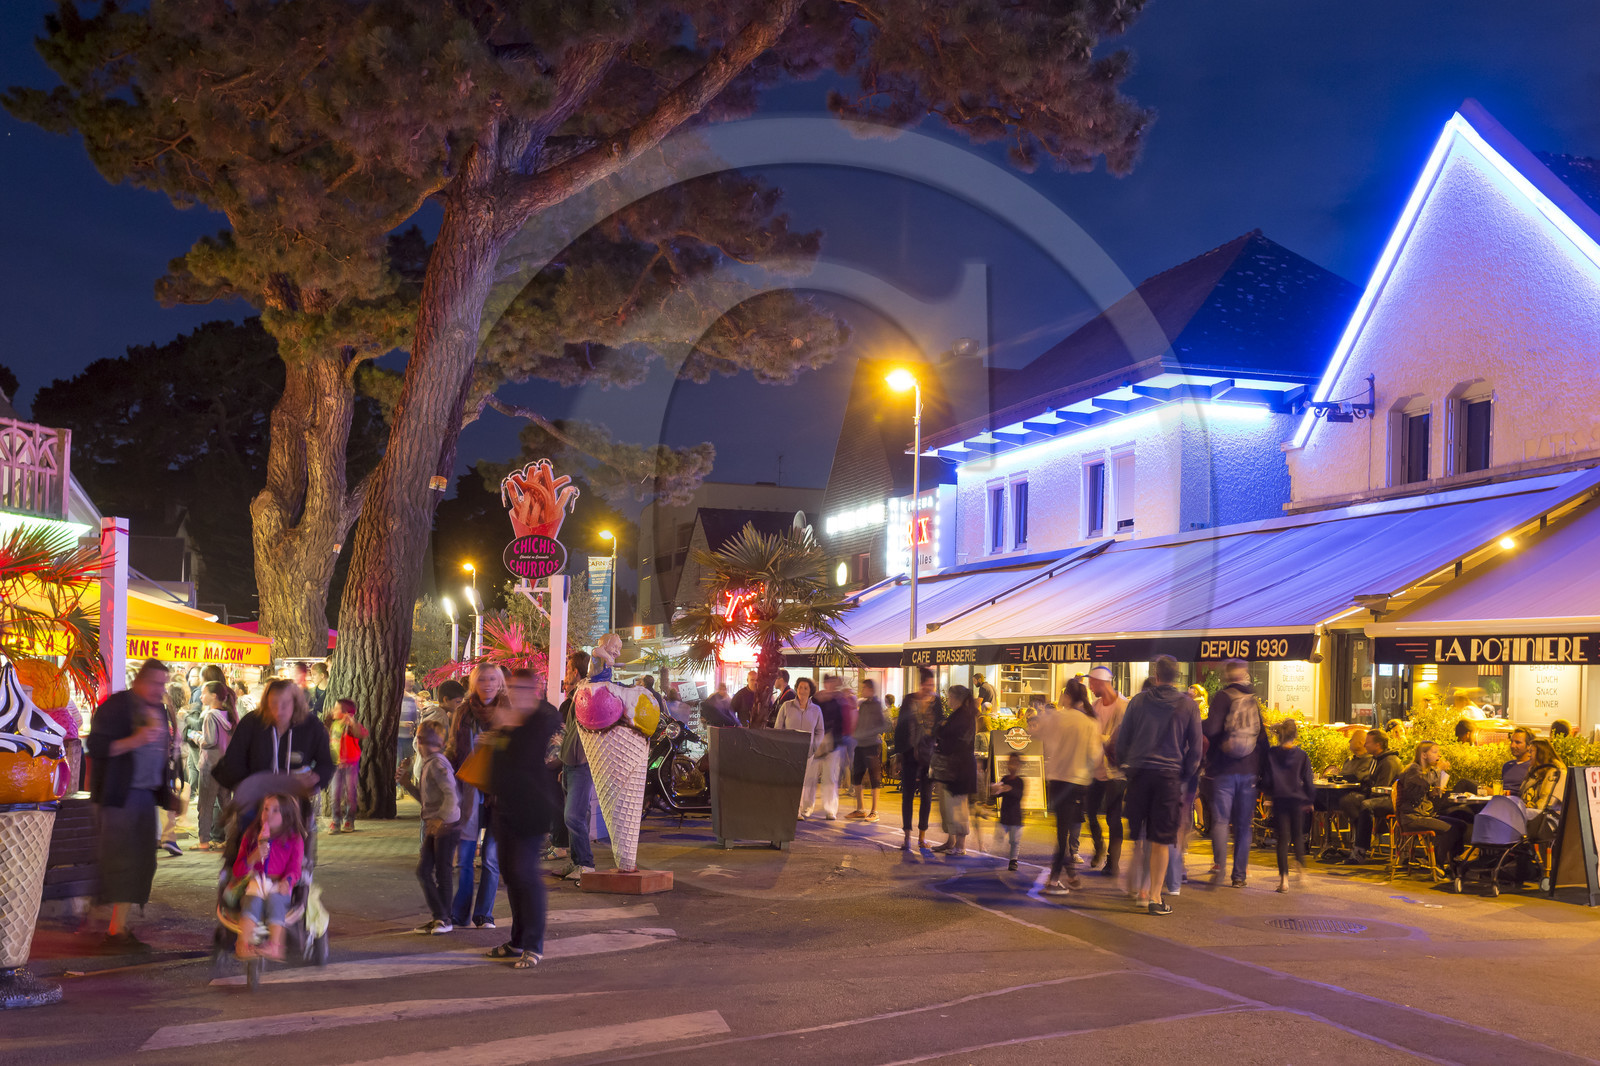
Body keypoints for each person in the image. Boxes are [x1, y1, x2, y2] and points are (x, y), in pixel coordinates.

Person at [87, 659, 183, 948]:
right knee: (122, 861)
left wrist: (168, 797)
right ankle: (113, 929)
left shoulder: (160, 710)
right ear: (139, 681)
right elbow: (98, 747)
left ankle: (116, 925)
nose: (160, 689)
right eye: (155, 683)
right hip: (119, 795)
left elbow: (159, 759)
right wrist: (135, 739)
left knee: (142, 862)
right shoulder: (117, 706)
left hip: (144, 796)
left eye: (163, 683)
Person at [212, 678, 336, 868]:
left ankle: (297, 879)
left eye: (285, 704)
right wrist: (249, 786)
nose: (279, 710)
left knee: (299, 852)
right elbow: (232, 762)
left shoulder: (311, 726)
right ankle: (238, 881)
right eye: (273, 704)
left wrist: (316, 778)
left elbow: (326, 763)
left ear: (296, 702)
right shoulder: (252, 723)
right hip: (256, 803)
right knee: (244, 851)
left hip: (293, 804)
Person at [483, 669, 562, 970]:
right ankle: (517, 941)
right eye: (512, 687)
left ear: (536, 689)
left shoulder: (542, 719)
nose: (515, 692)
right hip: (504, 809)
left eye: (522, 687)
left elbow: (529, 759)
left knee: (526, 875)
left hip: (531, 810)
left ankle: (534, 945)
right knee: (512, 876)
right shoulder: (507, 721)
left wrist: (511, 726)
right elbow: (499, 766)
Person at [1114, 656, 1202, 916]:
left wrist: (1125, 768)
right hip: (1168, 777)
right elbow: (1195, 750)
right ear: (1178, 676)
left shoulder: (1138, 702)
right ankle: (1154, 897)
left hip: (1140, 774)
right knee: (1161, 840)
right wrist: (1183, 775)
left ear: (1156, 675)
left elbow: (1122, 740)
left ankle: (1140, 890)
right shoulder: (1188, 706)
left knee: (1139, 836)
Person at [446, 664, 510, 930]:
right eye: (482, 679)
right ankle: (458, 914)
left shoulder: (508, 711)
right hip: (468, 792)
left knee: (492, 860)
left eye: (493, 679)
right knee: (464, 860)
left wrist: (496, 743)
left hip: (499, 793)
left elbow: (517, 750)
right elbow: (452, 748)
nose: (488, 683)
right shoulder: (462, 712)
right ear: (474, 682)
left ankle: (484, 914)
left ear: (500, 682)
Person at [1028, 682, 1102, 893]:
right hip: (1078, 782)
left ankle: (1067, 873)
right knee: (1065, 832)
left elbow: (1037, 734)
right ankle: (1054, 880)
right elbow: (1095, 756)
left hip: (1057, 780)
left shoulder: (1058, 717)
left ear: (1068, 696)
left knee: (1063, 830)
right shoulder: (1089, 723)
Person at [1202, 659, 1266, 888]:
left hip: (1224, 770)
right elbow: (1262, 737)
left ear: (1227, 675)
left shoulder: (1222, 697)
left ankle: (1220, 865)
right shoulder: (1252, 700)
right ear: (1245, 674)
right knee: (1243, 825)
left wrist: (1199, 724)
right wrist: (1261, 771)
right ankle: (1239, 876)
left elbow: (1211, 729)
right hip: (1249, 770)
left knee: (1220, 821)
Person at [396, 720, 462, 934]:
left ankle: (443, 918)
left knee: (437, 872)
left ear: (419, 740)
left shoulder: (437, 764)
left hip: (445, 827)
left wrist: (440, 819)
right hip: (437, 825)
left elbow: (452, 795)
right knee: (428, 871)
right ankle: (440, 917)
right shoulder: (429, 763)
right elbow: (426, 799)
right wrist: (407, 784)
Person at [228, 793, 305, 960]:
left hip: (279, 883)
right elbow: (237, 869)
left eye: (275, 810)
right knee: (251, 902)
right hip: (255, 880)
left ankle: (275, 946)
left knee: (277, 900)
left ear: (287, 816)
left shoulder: (294, 839)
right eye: (266, 809)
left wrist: (288, 880)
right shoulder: (251, 835)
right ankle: (242, 944)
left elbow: (295, 868)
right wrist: (253, 857)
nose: (268, 814)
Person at [1395, 741, 1470, 875]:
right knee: (1449, 829)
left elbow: (1416, 792)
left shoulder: (1425, 771)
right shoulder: (1413, 769)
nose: (1439, 755)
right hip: (1412, 817)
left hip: (1424, 814)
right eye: (1435, 752)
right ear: (1423, 755)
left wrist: (1432, 793)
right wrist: (1438, 769)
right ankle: (1437, 864)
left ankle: (1455, 865)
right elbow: (1424, 781)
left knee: (1460, 825)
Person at [555, 651, 596, 882]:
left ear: (576, 672)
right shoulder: (574, 699)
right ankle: (578, 860)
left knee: (574, 816)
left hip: (581, 765)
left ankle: (586, 864)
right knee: (576, 815)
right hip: (571, 765)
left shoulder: (584, 698)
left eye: (568, 668)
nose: (566, 673)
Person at [1085, 666, 1128, 876]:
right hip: (1095, 768)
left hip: (1116, 770)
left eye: (1091, 683)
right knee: (1090, 811)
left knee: (1113, 817)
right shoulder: (1094, 706)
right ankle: (1099, 845)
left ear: (1101, 682)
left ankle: (1113, 862)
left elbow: (1122, 740)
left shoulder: (1125, 706)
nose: (1090, 687)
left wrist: (1101, 739)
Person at [1265, 719, 1315, 893]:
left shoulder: (1271, 753)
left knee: (1282, 840)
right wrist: (1309, 800)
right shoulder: (1302, 755)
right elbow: (1308, 780)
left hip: (1279, 799)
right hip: (1297, 799)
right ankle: (1302, 872)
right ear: (1295, 735)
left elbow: (1266, 778)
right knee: (1297, 836)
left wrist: (1268, 794)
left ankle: (1283, 881)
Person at [895, 669, 940, 851]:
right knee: (907, 795)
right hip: (909, 754)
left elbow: (940, 726)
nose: (930, 688)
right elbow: (900, 727)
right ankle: (906, 837)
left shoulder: (936, 702)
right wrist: (899, 754)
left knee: (927, 797)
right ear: (922, 684)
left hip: (928, 755)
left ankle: (922, 837)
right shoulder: (909, 700)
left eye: (932, 685)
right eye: (928, 685)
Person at [932, 685, 979, 857]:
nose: (948, 700)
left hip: (960, 768)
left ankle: (960, 845)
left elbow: (954, 738)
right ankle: (951, 841)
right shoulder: (959, 715)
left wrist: (942, 730)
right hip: (953, 767)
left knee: (958, 807)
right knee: (948, 806)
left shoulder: (964, 716)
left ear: (957, 698)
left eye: (950, 697)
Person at [193, 680, 238, 851]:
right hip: (224, 766)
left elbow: (210, 741)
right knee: (226, 803)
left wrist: (196, 736)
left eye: (203, 693)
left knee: (205, 805)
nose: (201, 696)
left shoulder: (211, 715)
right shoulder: (229, 716)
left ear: (213, 696)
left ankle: (203, 841)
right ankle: (232, 839)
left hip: (210, 766)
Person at [775, 677, 829, 819]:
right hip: (788, 751)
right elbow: (778, 728)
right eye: (800, 687)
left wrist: (814, 746)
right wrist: (782, 747)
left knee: (803, 782)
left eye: (805, 688)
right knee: (789, 781)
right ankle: (790, 809)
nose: (802, 691)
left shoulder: (816, 710)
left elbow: (820, 731)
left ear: (810, 691)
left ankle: (800, 810)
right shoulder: (786, 706)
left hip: (807, 752)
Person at [327, 698, 369, 833]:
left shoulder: (350, 726)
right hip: (336, 765)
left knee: (350, 793)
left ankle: (349, 820)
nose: (333, 711)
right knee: (335, 794)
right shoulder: (333, 725)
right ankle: (336, 820)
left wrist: (352, 722)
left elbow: (362, 734)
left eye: (336, 708)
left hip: (350, 764)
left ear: (345, 712)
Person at [848, 678, 886, 821]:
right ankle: (860, 809)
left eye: (864, 688)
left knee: (874, 778)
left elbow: (883, 725)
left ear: (871, 689)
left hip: (871, 745)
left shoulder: (876, 705)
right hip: (859, 744)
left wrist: (868, 733)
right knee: (856, 776)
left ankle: (874, 811)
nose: (862, 690)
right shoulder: (863, 705)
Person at [1520, 739, 1566, 843]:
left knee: (1515, 814)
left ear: (1541, 753)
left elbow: (1547, 804)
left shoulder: (1556, 773)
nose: (1528, 755)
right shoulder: (1535, 772)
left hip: (1548, 819)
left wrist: (1528, 806)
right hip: (1536, 815)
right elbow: (1523, 794)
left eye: (1531, 751)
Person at [992, 752, 1027, 870]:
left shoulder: (1020, 781)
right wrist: (995, 790)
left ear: (1018, 765)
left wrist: (1009, 789)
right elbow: (997, 794)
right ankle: (993, 858)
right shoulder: (1004, 778)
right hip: (1005, 815)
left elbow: (1019, 795)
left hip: (1016, 816)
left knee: (1014, 841)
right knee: (999, 837)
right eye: (1010, 762)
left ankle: (1013, 861)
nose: (1011, 765)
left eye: (1014, 762)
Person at [1501, 728, 1535, 795]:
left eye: (1517, 742)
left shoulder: (1533, 767)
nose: (1512, 746)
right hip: (1502, 800)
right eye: (1511, 742)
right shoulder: (1507, 766)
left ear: (1529, 746)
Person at [398, 674, 421, 770]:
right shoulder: (396, 698)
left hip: (410, 737)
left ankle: (405, 783)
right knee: (398, 763)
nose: (412, 683)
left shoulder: (414, 699)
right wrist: (401, 724)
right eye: (409, 680)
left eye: (413, 680)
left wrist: (415, 725)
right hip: (397, 737)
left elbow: (416, 717)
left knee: (409, 764)